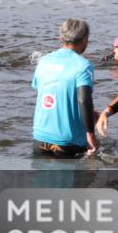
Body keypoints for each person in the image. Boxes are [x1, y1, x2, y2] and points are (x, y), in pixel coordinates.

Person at [31, 20, 98, 158]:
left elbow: (50, 95)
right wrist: (90, 133)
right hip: (68, 143)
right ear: (85, 39)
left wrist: (87, 114)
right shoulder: (83, 66)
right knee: (85, 178)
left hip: (40, 138)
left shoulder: (44, 61)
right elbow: (83, 99)